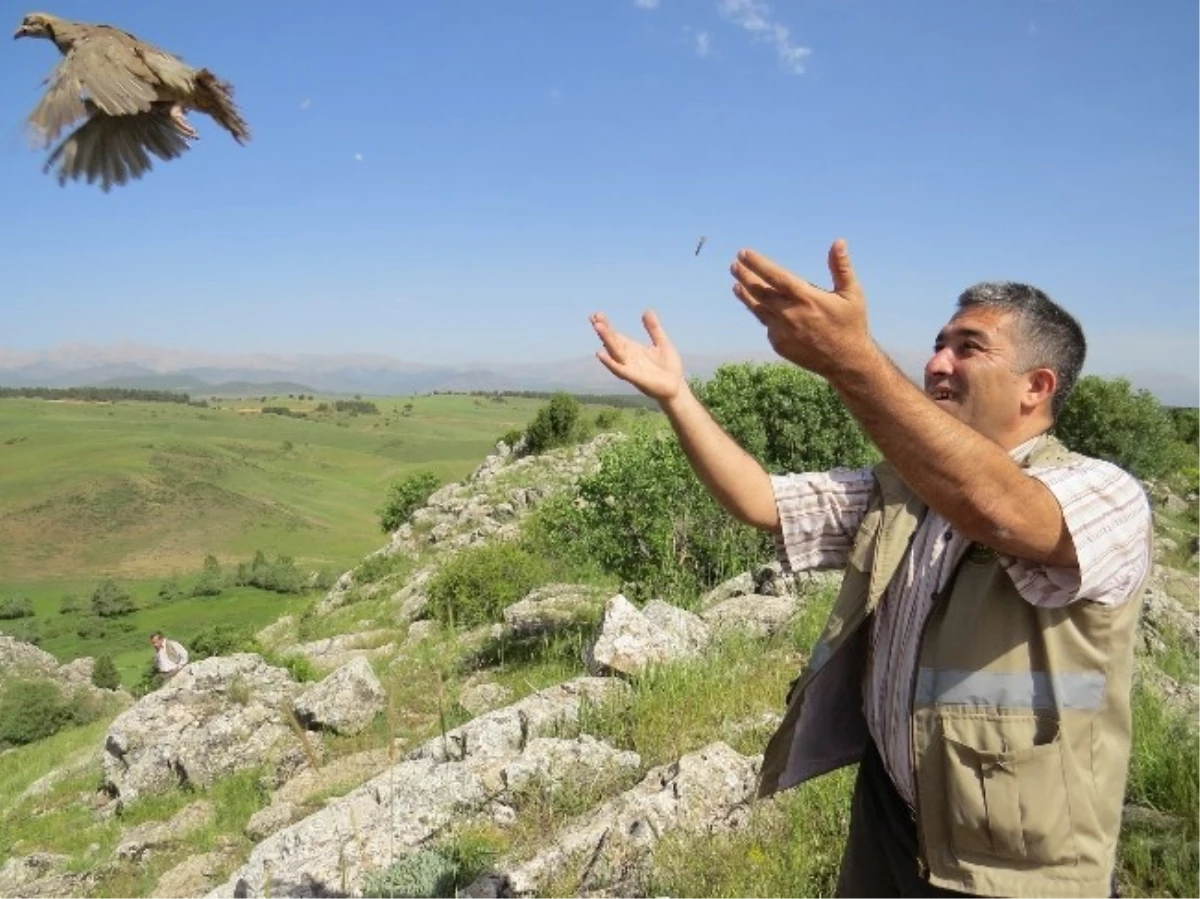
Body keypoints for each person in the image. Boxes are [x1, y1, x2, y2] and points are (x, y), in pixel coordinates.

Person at [589, 239, 1152, 898]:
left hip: (1015, 868)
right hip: (889, 818)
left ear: (1037, 386)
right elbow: (761, 500)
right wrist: (677, 395)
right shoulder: (903, 490)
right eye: (939, 344)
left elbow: (999, 511)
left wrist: (849, 358)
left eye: (967, 347)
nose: (936, 362)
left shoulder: (1104, 494)